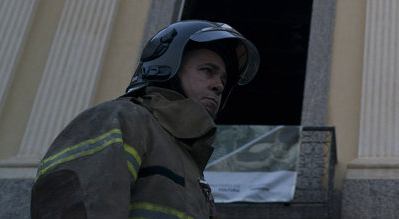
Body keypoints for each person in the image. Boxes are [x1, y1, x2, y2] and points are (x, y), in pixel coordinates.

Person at [31, 20, 259, 218]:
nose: (219, 85)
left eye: (223, 78)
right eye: (208, 71)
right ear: (168, 67)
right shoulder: (121, 119)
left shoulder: (186, 158)